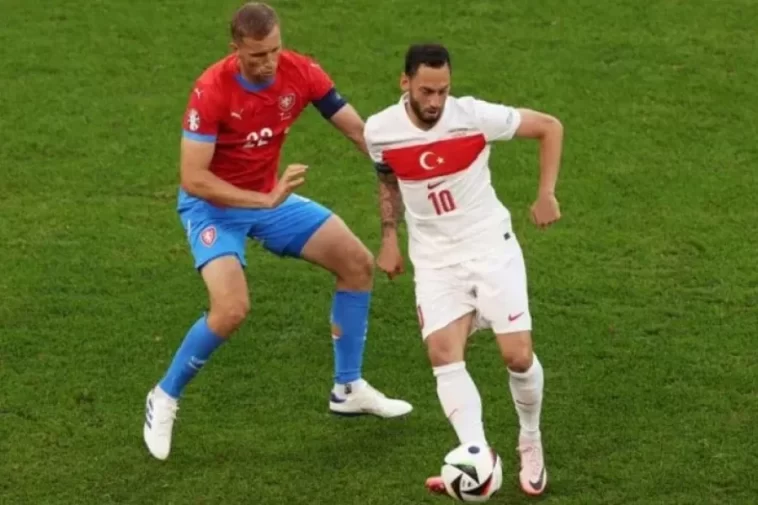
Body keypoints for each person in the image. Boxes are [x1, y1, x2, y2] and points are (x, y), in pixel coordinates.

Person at [143, 2, 412, 461]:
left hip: (269, 197)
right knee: (231, 309)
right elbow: (193, 178)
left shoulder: (300, 71)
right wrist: (264, 201)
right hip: (214, 209)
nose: (268, 63)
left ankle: (348, 388)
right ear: (235, 49)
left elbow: (357, 130)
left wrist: (404, 166)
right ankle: (164, 396)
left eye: (274, 50)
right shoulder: (211, 90)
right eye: (257, 56)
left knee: (356, 264)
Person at [363, 43, 563, 497]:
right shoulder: (379, 130)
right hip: (435, 260)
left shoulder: (473, 116)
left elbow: (549, 127)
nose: (436, 101)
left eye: (443, 90)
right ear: (405, 83)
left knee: (517, 357)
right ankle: (476, 456)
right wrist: (390, 236)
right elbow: (387, 178)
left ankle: (530, 438)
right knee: (442, 354)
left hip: (490, 247)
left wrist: (546, 193)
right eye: (427, 91)